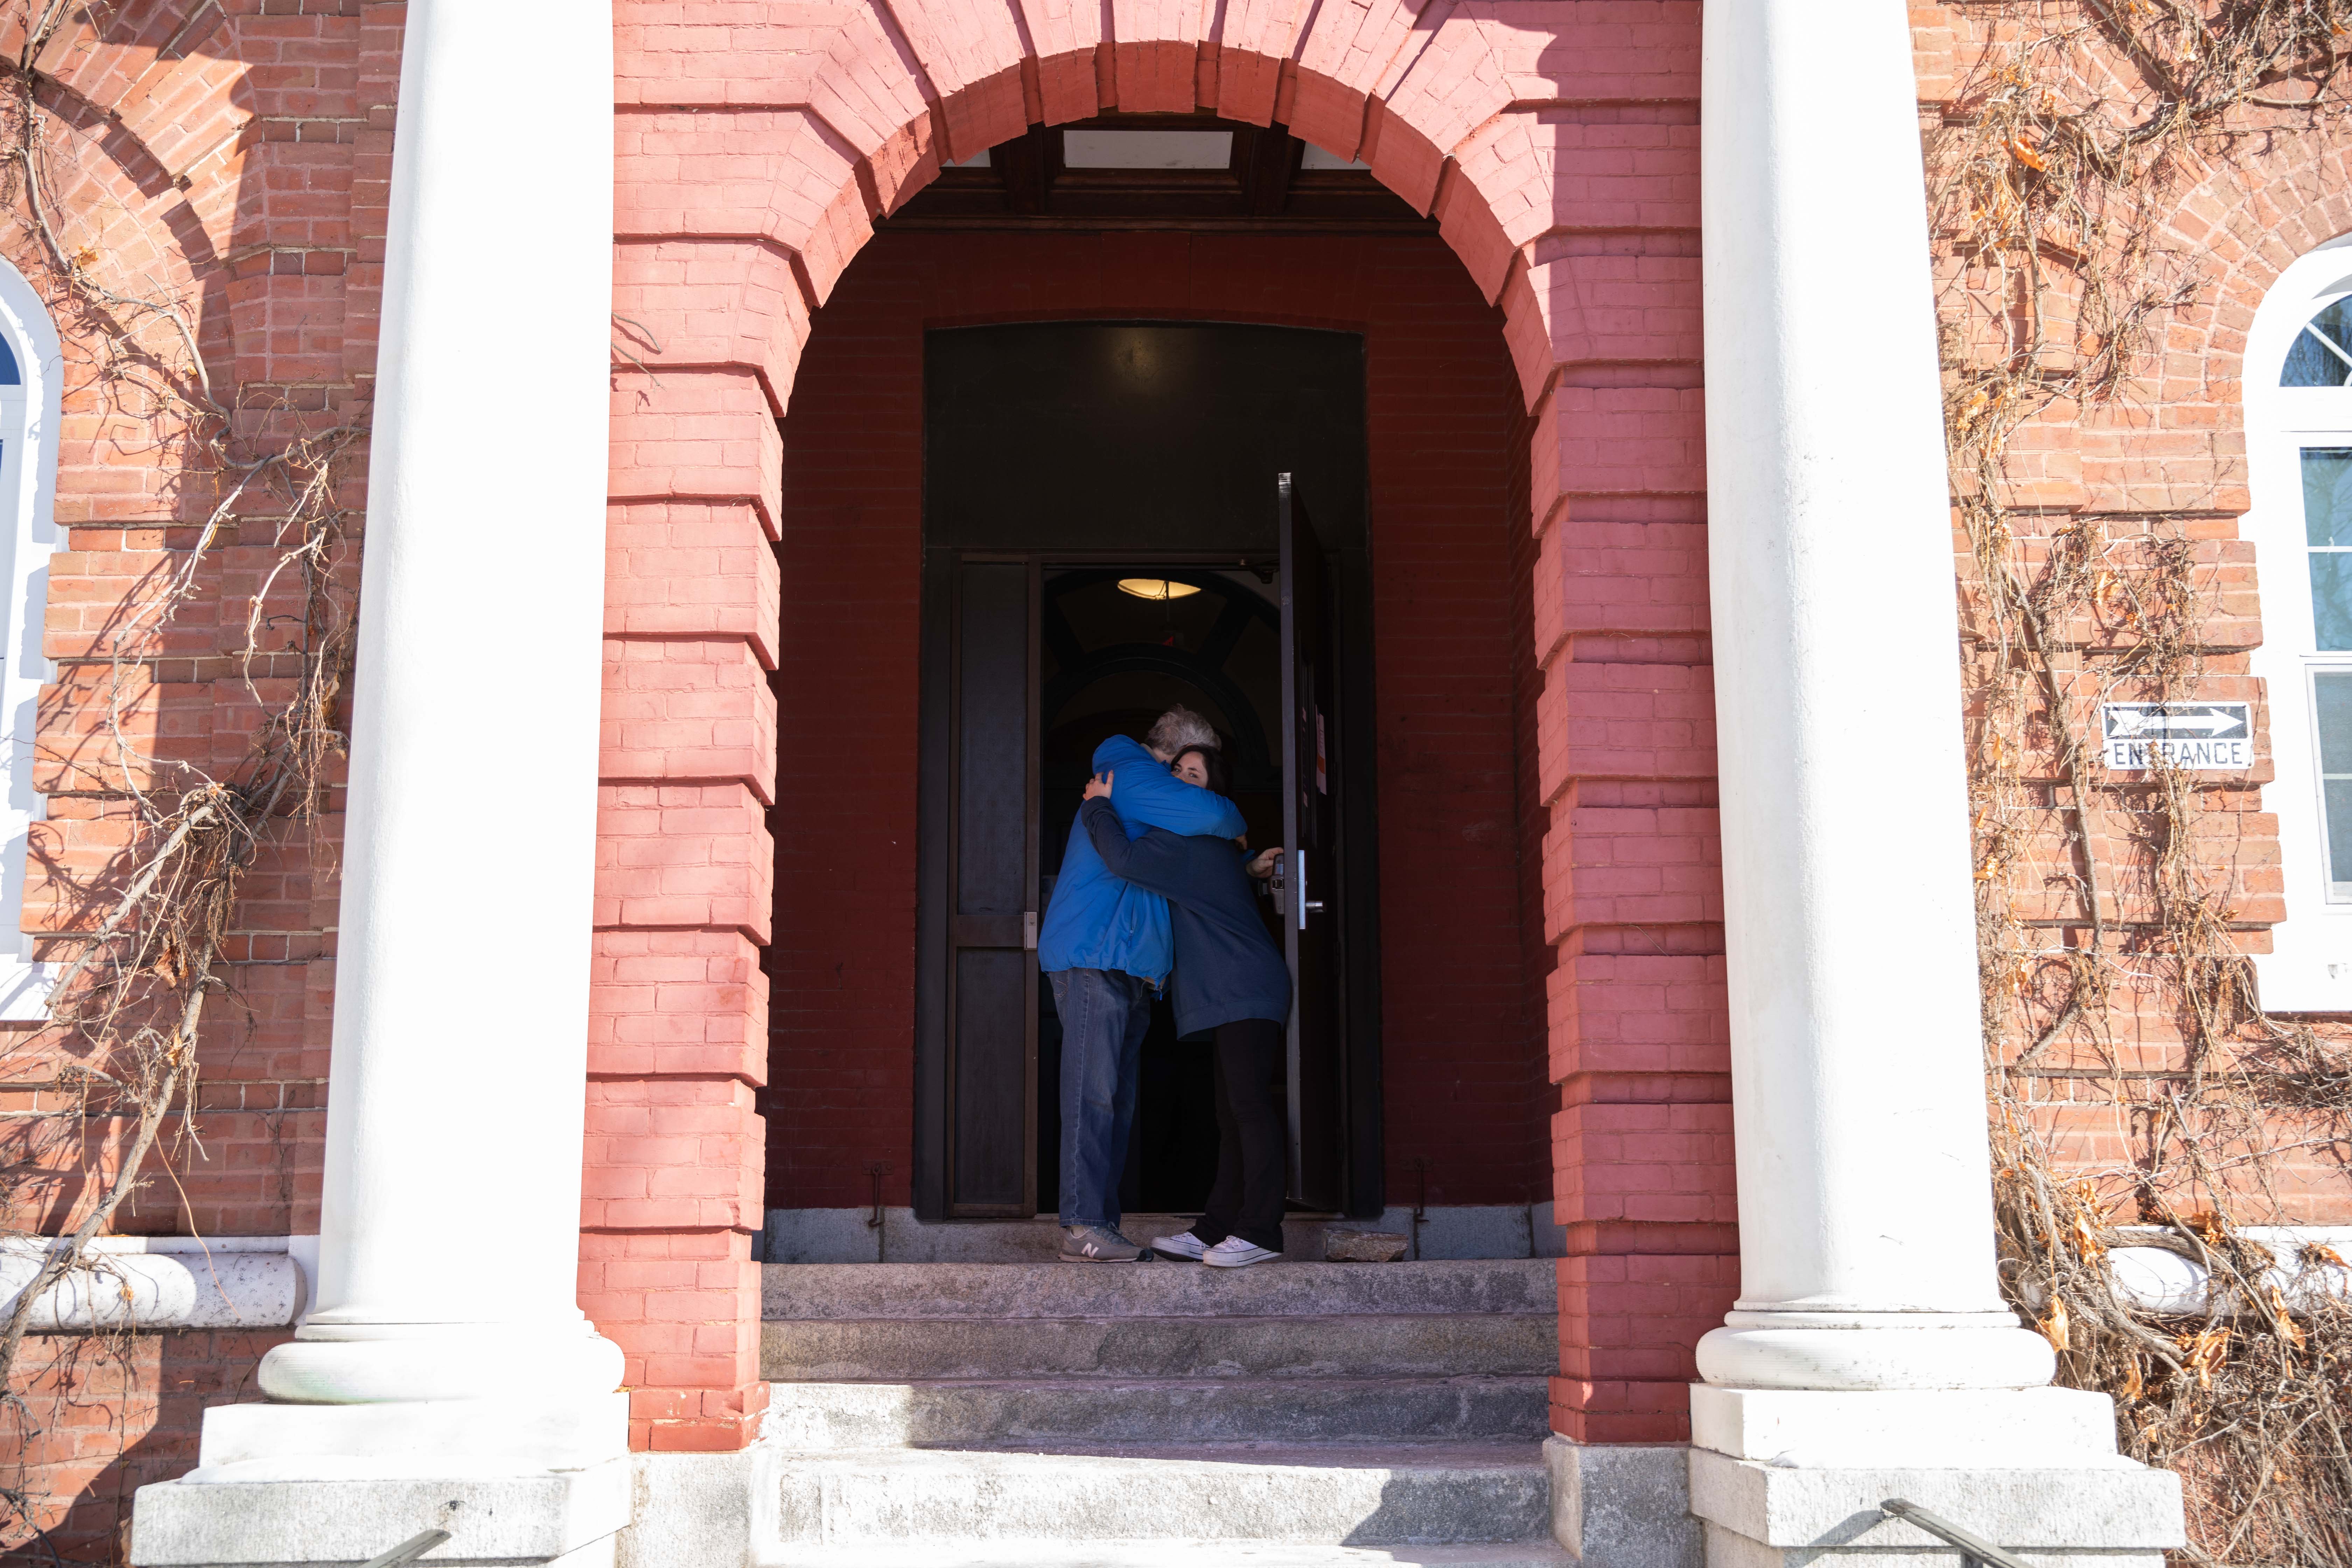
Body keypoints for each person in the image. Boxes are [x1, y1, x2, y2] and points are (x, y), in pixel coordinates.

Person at [1036, 707, 1246, 1263]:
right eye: (1185, 766)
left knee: (1116, 1102)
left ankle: (1100, 1226)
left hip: (1130, 965)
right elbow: (1220, 816)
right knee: (1092, 1093)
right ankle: (1082, 1225)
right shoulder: (1125, 767)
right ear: (1173, 754)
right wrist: (1222, 811)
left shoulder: (1144, 799)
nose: (1183, 777)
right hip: (1094, 954)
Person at [1079, 744, 1292, 1268]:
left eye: (1192, 774)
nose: (1177, 778)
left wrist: (1097, 804)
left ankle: (1261, 1230)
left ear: (1210, 793)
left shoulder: (1187, 844)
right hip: (1232, 990)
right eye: (1175, 769)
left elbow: (1123, 859)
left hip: (1244, 985)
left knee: (1247, 1108)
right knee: (1230, 1112)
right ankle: (1216, 1228)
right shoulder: (1205, 844)